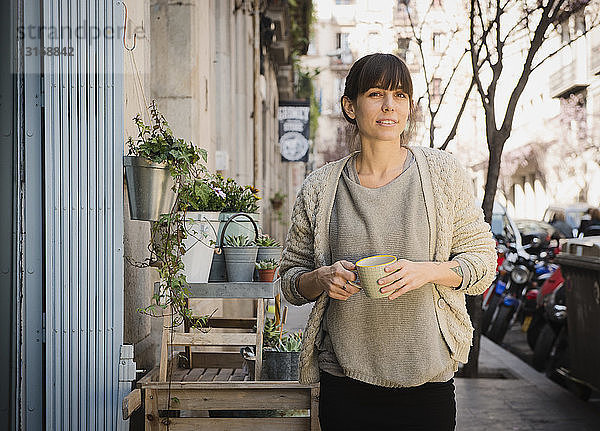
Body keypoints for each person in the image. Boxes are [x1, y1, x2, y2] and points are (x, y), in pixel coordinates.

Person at [279, 53, 497, 431]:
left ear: (409, 106)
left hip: (427, 381)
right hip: (345, 382)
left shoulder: (442, 173)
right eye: (376, 93)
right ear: (350, 106)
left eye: (399, 95)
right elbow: (290, 282)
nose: (389, 106)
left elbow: (483, 263)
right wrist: (322, 278)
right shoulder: (320, 187)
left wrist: (426, 272)